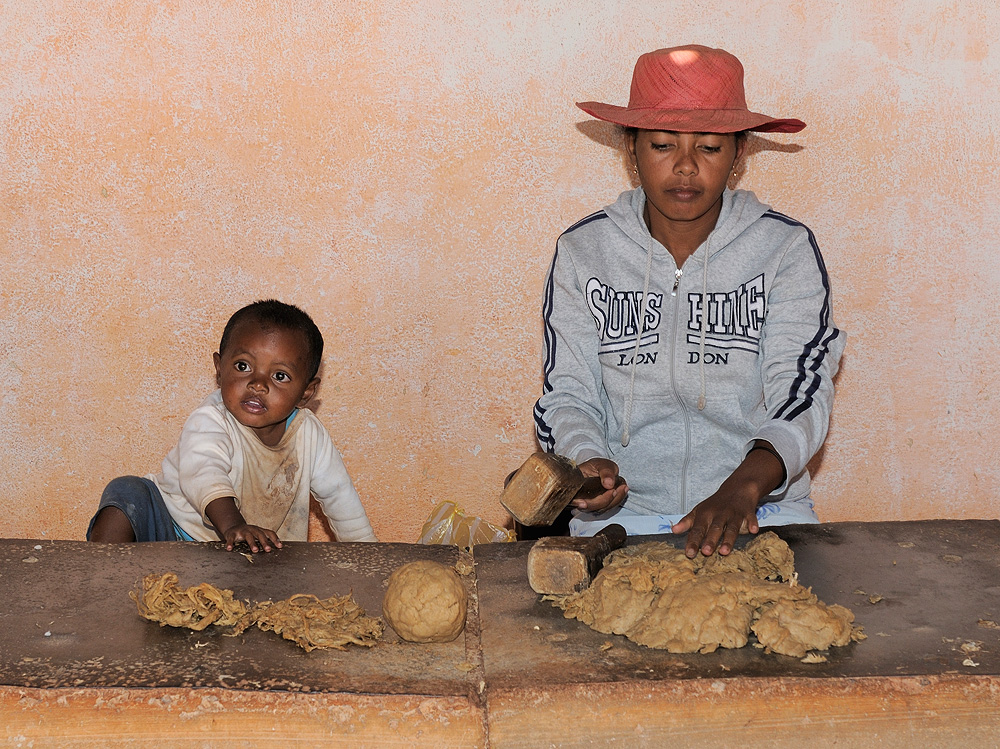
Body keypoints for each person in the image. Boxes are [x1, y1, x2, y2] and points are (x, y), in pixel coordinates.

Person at [533, 45, 844, 557]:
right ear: (629, 149)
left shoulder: (783, 250)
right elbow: (566, 393)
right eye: (661, 144)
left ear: (740, 154)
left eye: (709, 148)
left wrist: (740, 489)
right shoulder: (584, 251)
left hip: (763, 511)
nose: (684, 166)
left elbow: (802, 389)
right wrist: (587, 461)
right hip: (622, 520)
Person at [88, 299, 377, 551]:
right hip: (171, 531)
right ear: (219, 367)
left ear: (306, 392)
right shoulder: (212, 419)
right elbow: (204, 473)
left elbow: (341, 500)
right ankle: (103, 581)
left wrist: (370, 558)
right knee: (127, 492)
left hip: (247, 551)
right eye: (243, 366)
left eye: (280, 376)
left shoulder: (309, 436)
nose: (258, 384)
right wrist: (233, 525)